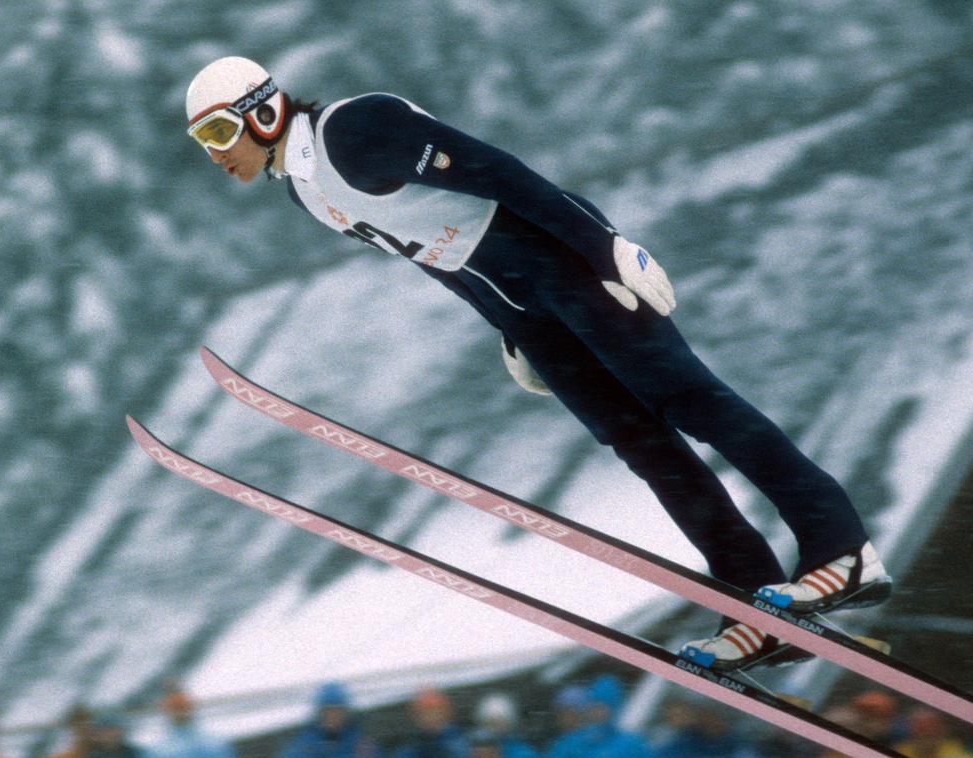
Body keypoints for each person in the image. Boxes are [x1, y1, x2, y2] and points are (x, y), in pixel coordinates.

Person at [182, 56, 892, 670]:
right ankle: (754, 602)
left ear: (264, 112)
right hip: (522, 302)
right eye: (201, 141)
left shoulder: (352, 130)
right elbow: (437, 255)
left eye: (219, 132)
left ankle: (840, 543)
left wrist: (606, 246)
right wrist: (512, 331)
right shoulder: (308, 191)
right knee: (644, 447)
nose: (215, 154)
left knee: (690, 402)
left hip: (564, 262)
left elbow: (500, 172)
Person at [552, 675, 650, 758]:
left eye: (603, 706)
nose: (597, 711)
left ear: (615, 707)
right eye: (594, 705)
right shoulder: (573, 742)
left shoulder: (631, 743)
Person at [279, 682, 379, 758]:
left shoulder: (361, 744)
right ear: (319, 714)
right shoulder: (304, 747)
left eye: (338, 711)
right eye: (328, 712)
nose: (333, 716)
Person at [147, 684, 235, 758]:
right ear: (164, 708)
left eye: (181, 706)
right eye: (176, 707)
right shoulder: (158, 750)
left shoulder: (214, 744)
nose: (179, 710)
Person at [390, 688, 468, 758]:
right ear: (415, 717)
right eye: (424, 713)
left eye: (437, 711)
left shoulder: (465, 741)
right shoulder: (410, 748)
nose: (432, 717)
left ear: (448, 712)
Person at [892, 708, 973, 758]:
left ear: (941, 729)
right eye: (920, 728)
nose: (925, 733)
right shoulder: (900, 750)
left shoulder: (962, 755)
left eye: (930, 727)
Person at [471, 693, 537, 758]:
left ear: (509, 722)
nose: (493, 728)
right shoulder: (477, 747)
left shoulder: (522, 751)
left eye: (498, 722)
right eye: (490, 722)